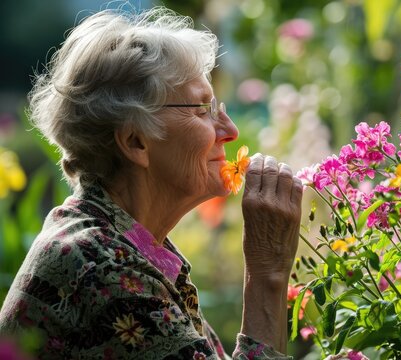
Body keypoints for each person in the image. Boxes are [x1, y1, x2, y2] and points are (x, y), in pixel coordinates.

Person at [0, 7, 303, 359]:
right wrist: (268, 273)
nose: (231, 131)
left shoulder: (123, 247)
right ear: (136, 142)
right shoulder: (102, 268)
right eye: (202, 109)